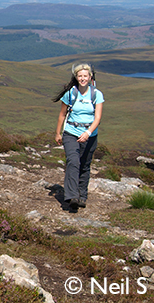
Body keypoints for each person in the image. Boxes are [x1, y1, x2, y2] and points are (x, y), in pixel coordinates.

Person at [53, 63, 104, 210]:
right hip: (71, 133)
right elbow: (62, 115)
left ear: (90, 77)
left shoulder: (97, 94)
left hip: (90, 135)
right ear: (76, 77)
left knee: (85, 165)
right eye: (80, 76)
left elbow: (98, 118)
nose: (82, 78)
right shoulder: (70, 94)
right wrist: (58, 133)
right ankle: (72, 196)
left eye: (85, 76)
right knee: (73, 161)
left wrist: (87, 133)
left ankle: (82, 196)